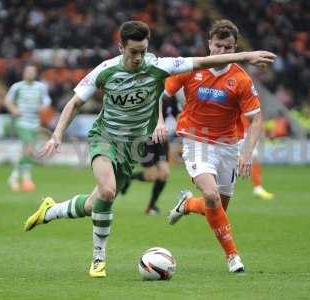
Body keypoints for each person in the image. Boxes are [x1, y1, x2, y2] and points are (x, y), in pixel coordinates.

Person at [23, 20, 276, 278]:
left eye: (143, 51)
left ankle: (50, 210)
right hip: (105, 137)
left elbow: (202, 62)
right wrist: (57, 135)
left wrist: (247, 56)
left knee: (94, 203)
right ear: (121, 47)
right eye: (133, 52)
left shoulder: (158, 66)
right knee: (108, 191)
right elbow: (74, 103)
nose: (139, 57)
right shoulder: (105, 70)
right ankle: (98, 259)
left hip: (133, 146)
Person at [165, 19, 270, 273]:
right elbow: (163, 93)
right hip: (195, 140)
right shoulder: (191, 68)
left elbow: (256, 118)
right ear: (209, 44)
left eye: (229, 48)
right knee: (211, 196)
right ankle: (233, 257)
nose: (223, 53)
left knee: (217, 208)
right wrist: (158, 121)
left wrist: (246, 153)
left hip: (228, 146)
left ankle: (188, 204)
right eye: (218, 46)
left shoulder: (241, 80)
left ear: (235, 48)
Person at [120, 96, 179, 215]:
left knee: (164, 174)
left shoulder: (171, 96)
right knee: (151, 176)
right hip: (145, 139)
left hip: (161, 139)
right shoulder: (148, 92)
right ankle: (128, 177)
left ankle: (151, 206)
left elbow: (176, 114)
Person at [4, 64, 52, 192]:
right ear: (23, 73)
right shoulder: (17, 87)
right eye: (28, 71)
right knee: (29, 148)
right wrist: (13, 110)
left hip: (35, 123)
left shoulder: (40, 87)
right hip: (22, 122)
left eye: (32, 72)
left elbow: (47, 100)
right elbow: (7, 100)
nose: (30, 74)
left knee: (27, 151)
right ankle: (24, 178)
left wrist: (44, 107)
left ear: (35, 74)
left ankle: (16, 177)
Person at [241, 116, 275, 200]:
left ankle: (258, 188)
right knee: (253, 158)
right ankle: (258, 188)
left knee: (254, 158)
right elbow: (254, 115)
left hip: (246, 131)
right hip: (243, 132)